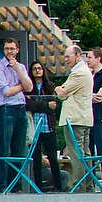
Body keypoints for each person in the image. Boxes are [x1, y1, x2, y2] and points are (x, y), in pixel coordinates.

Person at [0, 38, 30, 191]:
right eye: (7, 49)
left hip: (21, 109)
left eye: (12, 48)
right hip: (6, 110)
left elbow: (30, 86)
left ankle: (16, 187)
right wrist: (22, 86)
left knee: (19, 149)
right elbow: (7, 92)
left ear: (17, 50)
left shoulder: (21, 67)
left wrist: (18, 70)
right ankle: (1, 187)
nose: (9, 51)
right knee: (4, 148)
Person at [55, 42, 94, 182]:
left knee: (76, 153)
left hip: (75, 119)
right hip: (82, 118)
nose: (66, 59)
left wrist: (58, 89)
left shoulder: (79, 73)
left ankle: (79, 185)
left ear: (78, 55)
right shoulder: (83, 71)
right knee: (84, 152)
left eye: (68, 56)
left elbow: (62, 93)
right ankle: (87, 185)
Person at [26, 63, 63, 191]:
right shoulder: (28, 87)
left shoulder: (50, 86)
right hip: (34, 128)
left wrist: (39, 104)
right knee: (36, 159)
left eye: (39, 68)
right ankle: (38, 188)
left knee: (52, 157)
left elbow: (55, 105)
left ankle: (58, 186)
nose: (37, 71)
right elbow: (29, 105)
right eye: (34, 69)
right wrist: (46, 106)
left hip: (48, 126)